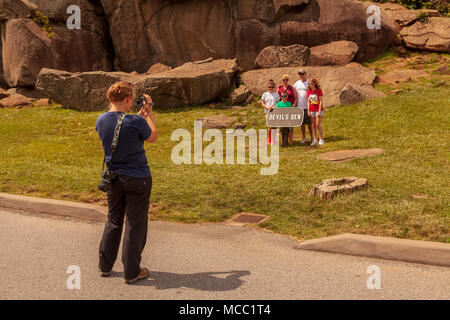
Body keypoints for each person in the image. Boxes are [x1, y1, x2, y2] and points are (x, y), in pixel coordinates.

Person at [96, 81, 158, 284]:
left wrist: (137, 119)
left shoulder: (101, 120)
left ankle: (105, 266)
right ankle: (132, 271)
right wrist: (149, 114)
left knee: (113, 221)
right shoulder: (136, 121)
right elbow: (152, 137)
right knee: (134, 223)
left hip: (114, 178)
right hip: (137, 178)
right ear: (129, 100)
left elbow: (121, 132)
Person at [293, 69, 313, 144]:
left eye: (302, 74)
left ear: (305, 74)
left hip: (307, 106)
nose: (301, 75)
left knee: (310, 123)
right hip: (299, 106)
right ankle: (304, 137)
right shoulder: (297, 83)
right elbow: (291, 90)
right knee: (302, 123)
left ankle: (312, 137)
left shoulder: (309, 82)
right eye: (300, 74)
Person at [277, 74, 297, 144]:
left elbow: (295, 98)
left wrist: (293, 106)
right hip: (282, 108)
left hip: (290, 107)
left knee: (290, 126)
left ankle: (290, 140)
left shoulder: (292, 88)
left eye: (286, 80)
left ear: (288, 80)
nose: (285, 81)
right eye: (283, 80)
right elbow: (277, 98)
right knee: (282, 126)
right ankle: (283, 141)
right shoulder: (279, 88)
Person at [260, 79, 280, 145]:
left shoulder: (276, 94)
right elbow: (262, 103)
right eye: (269, 87)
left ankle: (273, 140)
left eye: (272, 87)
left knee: (274, 126)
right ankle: (269, 139)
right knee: (269, 126)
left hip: (274, 111)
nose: (270, 88)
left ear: (274, 87)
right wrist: (267, 107)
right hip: (267, 112)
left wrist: (274, 107)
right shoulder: (265, 94)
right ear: (267, 87)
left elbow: (278, 103)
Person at [307, 78, 324, 146]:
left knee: (318, 124)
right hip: (312, 110)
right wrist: (308, 111)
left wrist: (319, 111)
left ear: (315, 84)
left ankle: (321, 139)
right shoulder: (309, 92)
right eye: (310, 84)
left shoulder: (319, 91)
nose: (311, 85)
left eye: (312, 83)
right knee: (313, 125)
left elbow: (321, 101)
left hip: (318, 110)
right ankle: (315, 139)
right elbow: (308, 102)